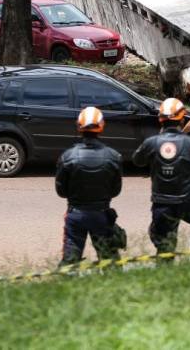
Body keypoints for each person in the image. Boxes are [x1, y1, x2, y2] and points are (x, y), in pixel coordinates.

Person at [132, 98, 190, 258]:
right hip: (188, 202)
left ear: (160, 119)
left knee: (164, 248)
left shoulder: (152, 143)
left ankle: (165, 260)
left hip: (162, 204)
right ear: (181, 119)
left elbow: (137, 161)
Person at [55, 106, 125, 266]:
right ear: (102, 126)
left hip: (75, 214)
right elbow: (116, 190)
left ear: (79, 126)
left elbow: (61, 191)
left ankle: (67, 288)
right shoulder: (114, 156)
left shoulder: (67, 156)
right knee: (110, 261)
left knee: (70, 262)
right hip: (101, 214)